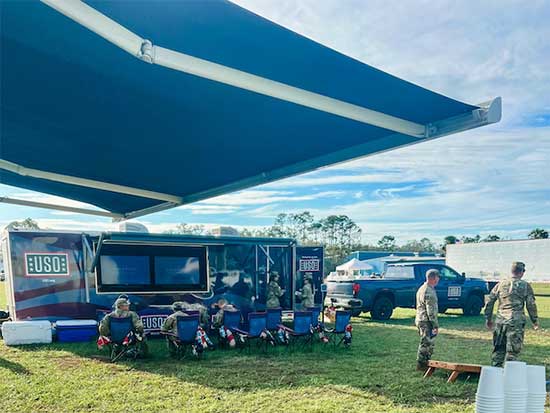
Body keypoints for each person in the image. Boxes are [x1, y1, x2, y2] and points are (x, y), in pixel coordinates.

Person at [484, 261, 539, 367]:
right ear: (522, 272)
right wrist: (535, 320)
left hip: (500, 321)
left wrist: (488, 318)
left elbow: (489, 301)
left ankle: (495, 374)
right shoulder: (525, 286)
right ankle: (510, 376)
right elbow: (531, 304)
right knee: (512, 352)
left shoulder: (500, 284)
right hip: (515, 322)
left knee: (498, 350)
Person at [415, 269, 440, 371]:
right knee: (426, 343)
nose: (438, 280)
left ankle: (425, 364)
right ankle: (422, 365)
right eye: (438, 277)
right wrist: (435, 325)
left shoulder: (422, 288)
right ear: (433, 278)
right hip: (426, 321)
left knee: (426, 342)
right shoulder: (429, 291)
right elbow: (431, 310)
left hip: (421, 319)